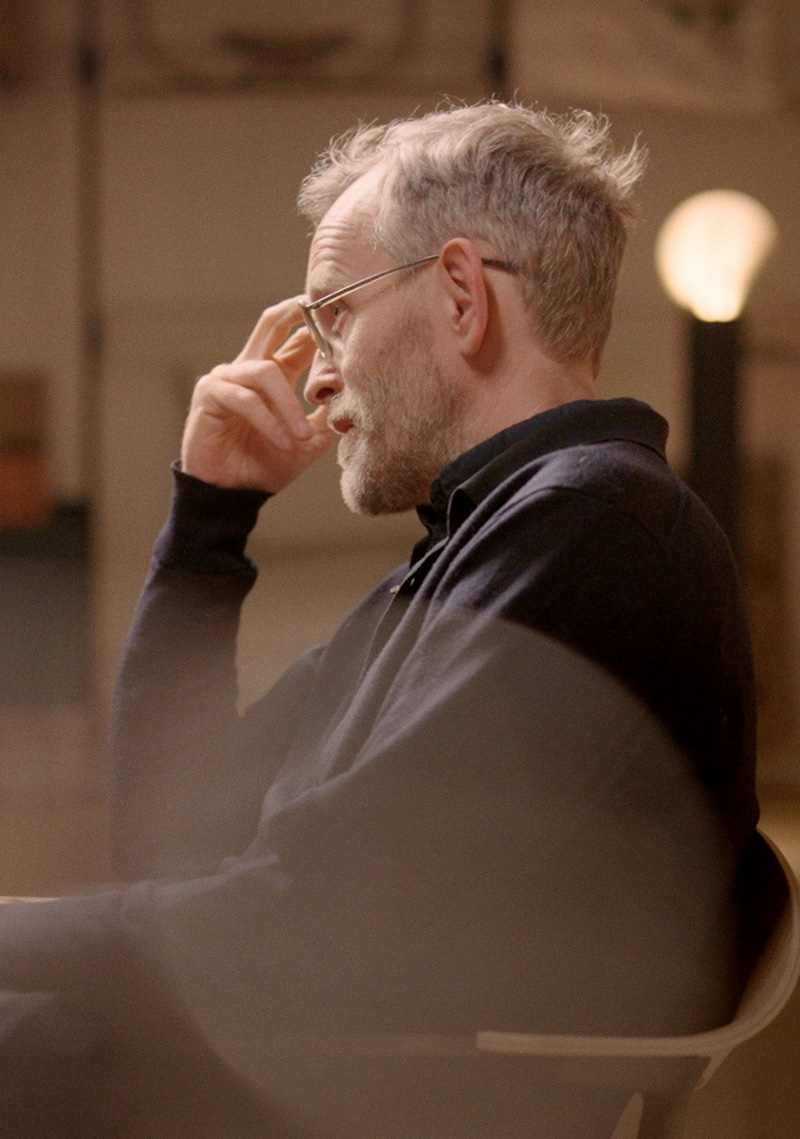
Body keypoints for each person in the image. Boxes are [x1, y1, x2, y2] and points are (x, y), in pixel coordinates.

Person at [0, 102, 786, 1138]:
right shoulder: (488, 546)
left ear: (461, 295)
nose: (317, 370)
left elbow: (308, 921)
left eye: (335, 313)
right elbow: (169, 838)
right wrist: (208, 520)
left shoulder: (594, 524)